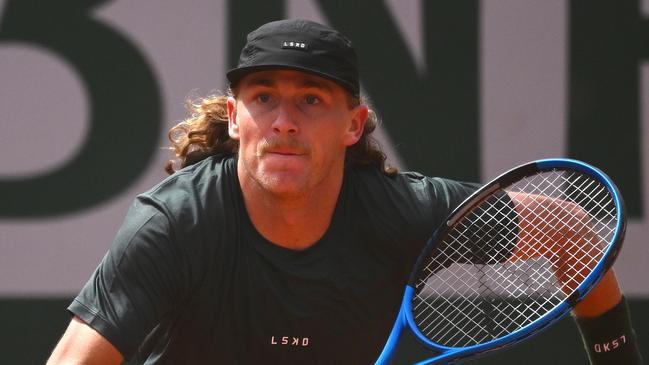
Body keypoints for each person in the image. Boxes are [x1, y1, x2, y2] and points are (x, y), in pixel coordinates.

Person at [47, 19, 642, 364]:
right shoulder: (175, 226)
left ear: (353, 125)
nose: (283, 120)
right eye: (263, 97)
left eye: (310, 99)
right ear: (234, 118)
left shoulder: (402, 213)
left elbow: (575, 232)